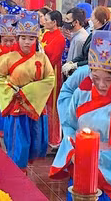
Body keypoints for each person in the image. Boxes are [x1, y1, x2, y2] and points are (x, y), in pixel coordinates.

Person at [50, 29, 111, 201]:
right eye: (95, 78)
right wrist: (74, 149)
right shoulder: (81, 95)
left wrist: (107, 158)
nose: (101, 85)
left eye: (108, 80)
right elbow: (69, 125)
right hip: (84, 167)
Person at [0, 11, 55, 170]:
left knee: (34, 143)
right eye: (23, 38)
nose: (27, 42)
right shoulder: (10, 57)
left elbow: (50, 79)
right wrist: (11, 92)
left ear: (36, 39)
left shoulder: (42, 58)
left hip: (34, 105)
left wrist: (27, 92)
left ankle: (25, 168)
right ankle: (17, 172)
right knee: (18, 143)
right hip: (16, 105)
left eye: (31, 38)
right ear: (18, 38)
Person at [42, 10, 66, 148]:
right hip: (42, 71)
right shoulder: (45, 34)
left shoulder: (59, 38)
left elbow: (53, 58)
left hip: (52, 72)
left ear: (54, 22)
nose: (44, 22)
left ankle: (54, 138)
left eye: (46, 19)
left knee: (52, 105)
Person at [63, 6, 111, 76]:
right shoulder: (92, 34)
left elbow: (95, 59)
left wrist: (76, 65)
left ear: (97, 21)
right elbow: (82, 54)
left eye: (92, 18)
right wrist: (71, 62)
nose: (90, 20)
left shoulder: (103, 39)